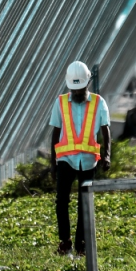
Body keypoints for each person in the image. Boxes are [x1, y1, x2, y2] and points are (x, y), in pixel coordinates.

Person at [49, 61, 111, 256]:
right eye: (74, 90)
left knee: (85, 201)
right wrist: (53, 163)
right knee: (61, 201)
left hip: (88, 159)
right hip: (66, 159)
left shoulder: (98, 102)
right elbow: (55, 132)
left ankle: (81, 244)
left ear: (87, 84)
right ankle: (65, 242)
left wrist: (106, 155)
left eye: (80, 89)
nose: (77, 93)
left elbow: (106, 130)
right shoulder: (60, 103)